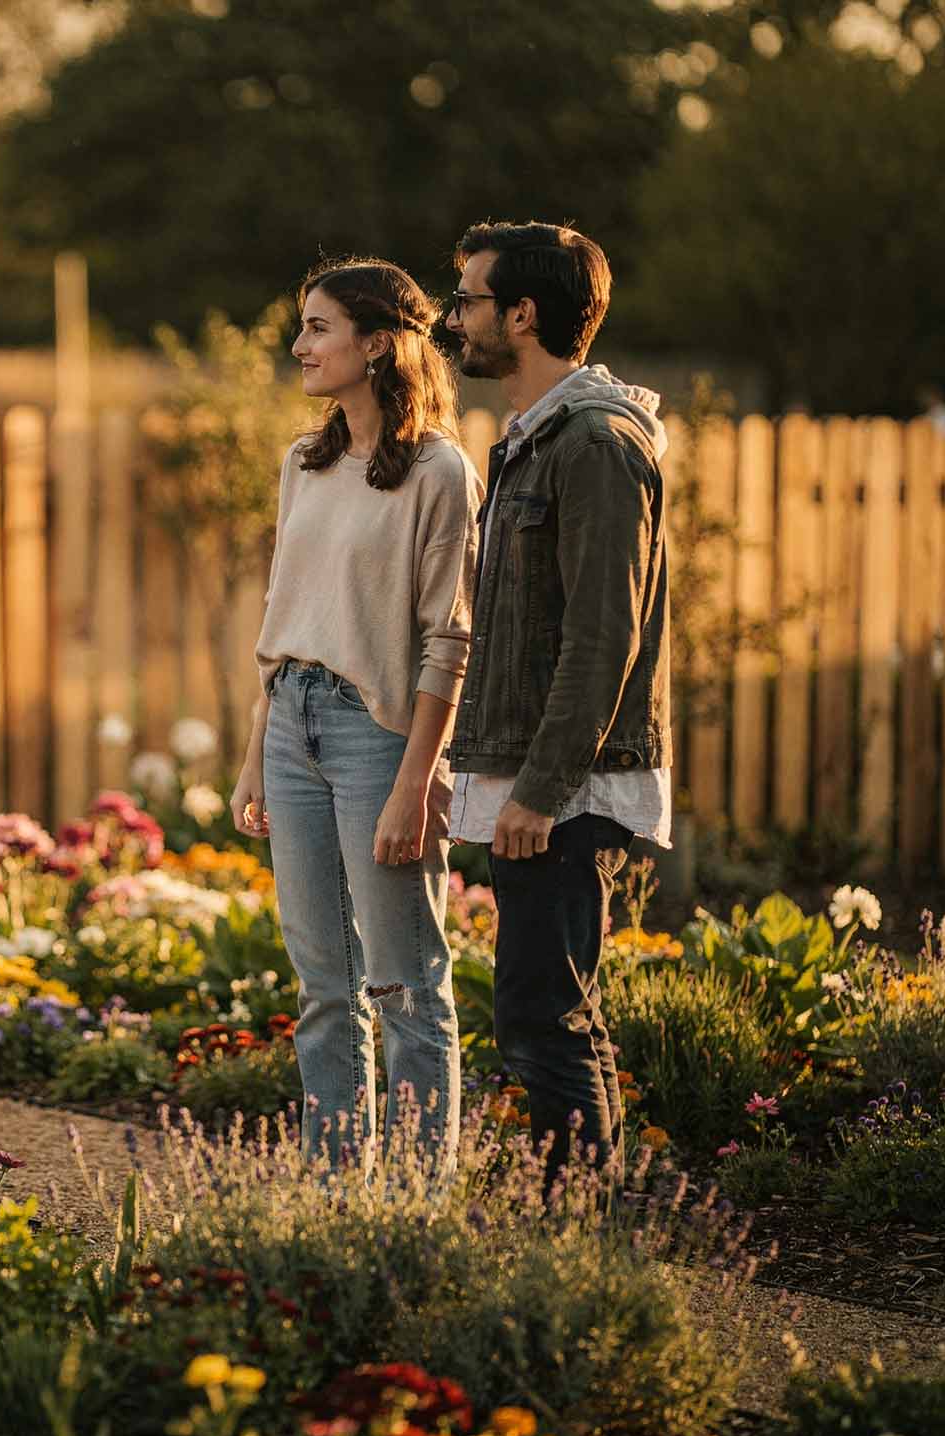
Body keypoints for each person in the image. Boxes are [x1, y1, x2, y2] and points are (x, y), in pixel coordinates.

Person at [231, 257, 482, 1168]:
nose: (300, 345)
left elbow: (447, 641)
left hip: (379, 740)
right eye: (303, 327)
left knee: (406, 986)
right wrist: (257, 752)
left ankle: (417, 1206)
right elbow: (281, 616)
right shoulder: (305, 460)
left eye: (319, 327)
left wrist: (416, 782)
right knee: (323, 988)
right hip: (292, 722)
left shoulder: (441, 474)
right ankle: (340, 1196)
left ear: (378, 343)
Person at [440, 221, 672, 1184]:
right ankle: (573, 1219)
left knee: (547, 1013)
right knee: (542, 1008)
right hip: (534, 776)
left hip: (567, 788)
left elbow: (601, 639)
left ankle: (578, 1233)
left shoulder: (596, 446)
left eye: (468, 300)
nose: (454, 319)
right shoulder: (532, 441)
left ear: (522, 315)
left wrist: (540, 787)